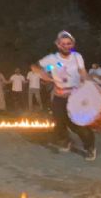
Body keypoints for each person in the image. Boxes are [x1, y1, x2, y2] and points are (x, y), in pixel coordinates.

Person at [32, 30, 96, 160]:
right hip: (59, 97)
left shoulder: (77, 56)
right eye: (63, 44)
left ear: (72, 44)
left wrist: (90, 83)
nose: (66, 46)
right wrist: (43, 74)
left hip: (75, 96)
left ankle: (90, 147)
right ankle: (65, 142)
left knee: (78, 124)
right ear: (58, 45)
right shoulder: (52, 59)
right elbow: (35, 66)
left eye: (69, 43)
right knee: (59, 122)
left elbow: (82, 72)